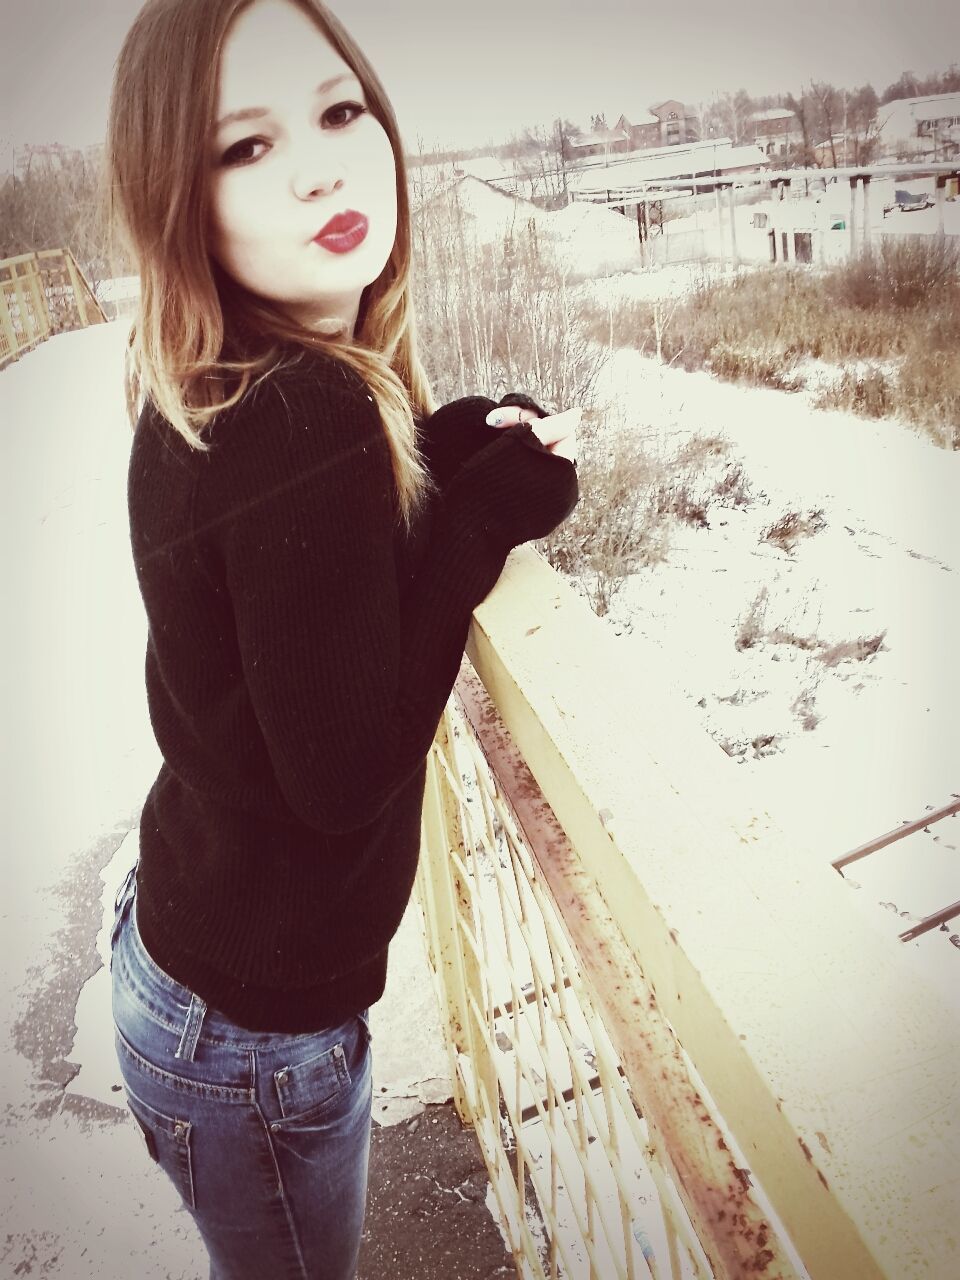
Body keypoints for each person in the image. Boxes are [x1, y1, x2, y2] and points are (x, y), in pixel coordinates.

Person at [105, 0, 580, 1276]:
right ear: (178, 201)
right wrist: (477, 521)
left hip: (183, 961)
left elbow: (284, 558)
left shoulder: (207, 378)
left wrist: (442, 451)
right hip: (253, 1038)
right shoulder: (303, 410)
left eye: (337, 109)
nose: (320, 162)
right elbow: (346, 769)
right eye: (243, 147)